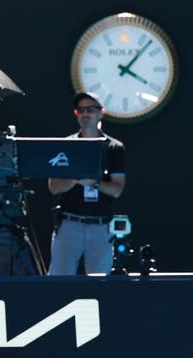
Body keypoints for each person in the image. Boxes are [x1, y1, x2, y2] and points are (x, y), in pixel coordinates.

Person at [47, 92, 126, 275]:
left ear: (101, 113)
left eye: (91, 109)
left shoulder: (114, 148)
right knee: (58, 284)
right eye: (81, 110)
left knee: (99, 285)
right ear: (76, 114)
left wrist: (92, 182)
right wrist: (76, 178)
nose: (85, 114)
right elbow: (53, 187)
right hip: (68, 225)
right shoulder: (65, 145)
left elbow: (116, 190)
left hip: (101, 227)